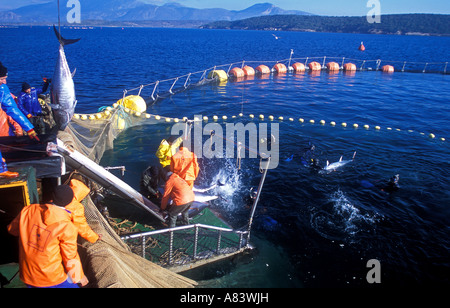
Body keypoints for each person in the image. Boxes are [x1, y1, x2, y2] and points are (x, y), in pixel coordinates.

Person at [7, 185, 89, 288]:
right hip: (51, 278)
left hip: (27, 273)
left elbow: (12, 230)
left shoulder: (28, 210)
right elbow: (70, 256)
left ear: (52, 196)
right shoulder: (67, 226)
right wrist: (78, 277)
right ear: (69, 202)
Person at [0, 61, 39, 178]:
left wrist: (28, 128)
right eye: (2, 78)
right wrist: (29, 128)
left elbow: (13, 110)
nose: (4, 82)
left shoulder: (2, 89)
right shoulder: (2, 89)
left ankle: (2, 169)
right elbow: (12, 109)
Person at [67, 178, 100, 243]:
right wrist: (94, 237)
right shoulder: (76, 207)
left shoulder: (58, 198)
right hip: (63, 235)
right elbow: (81, 226)